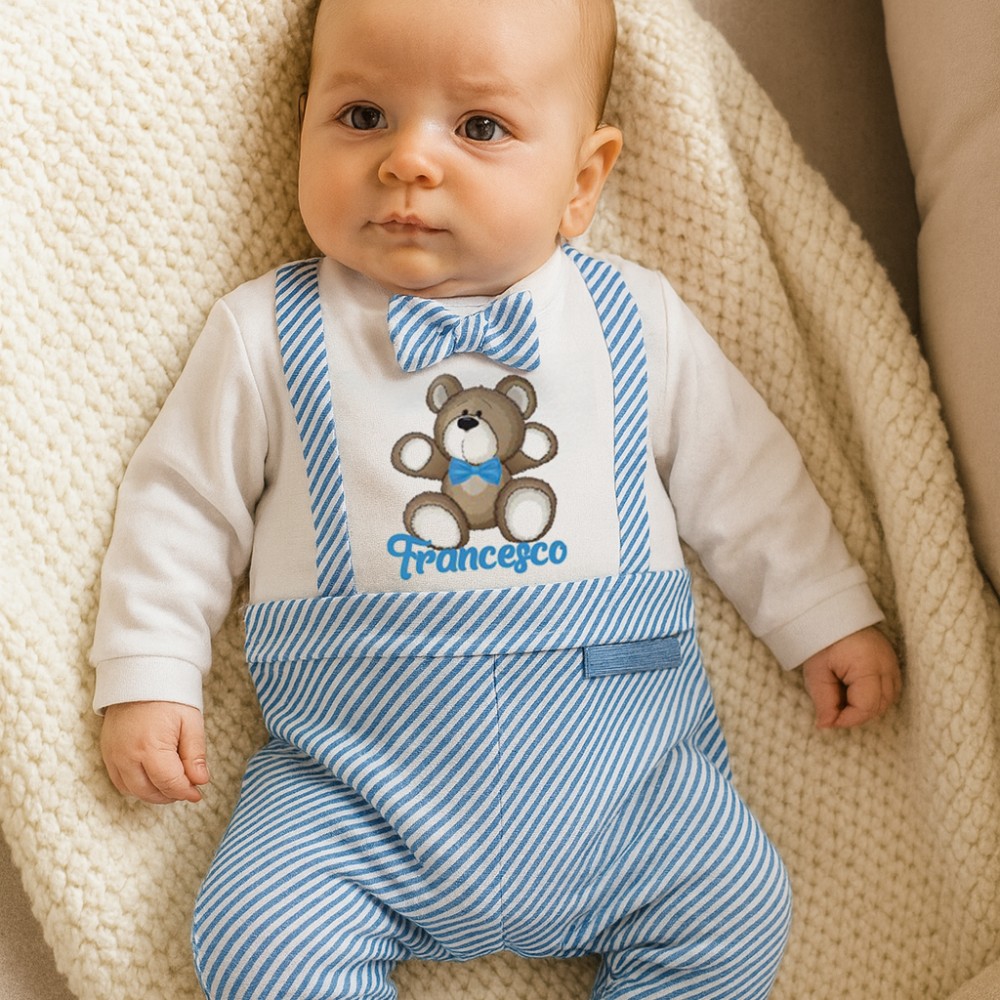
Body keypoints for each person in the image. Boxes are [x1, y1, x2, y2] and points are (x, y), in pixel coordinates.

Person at [93, 0, 902, 996]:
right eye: (360, 116)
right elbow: (181, 503)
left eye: (478, 128)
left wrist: (820, 615)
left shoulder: (630, 320)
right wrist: (148, 669)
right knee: (256, 931)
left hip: (628, 796)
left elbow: (745, 476)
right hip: (356, 801)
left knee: (734, 899)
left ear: (583, 180)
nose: (408, 162)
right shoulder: (266, 333)